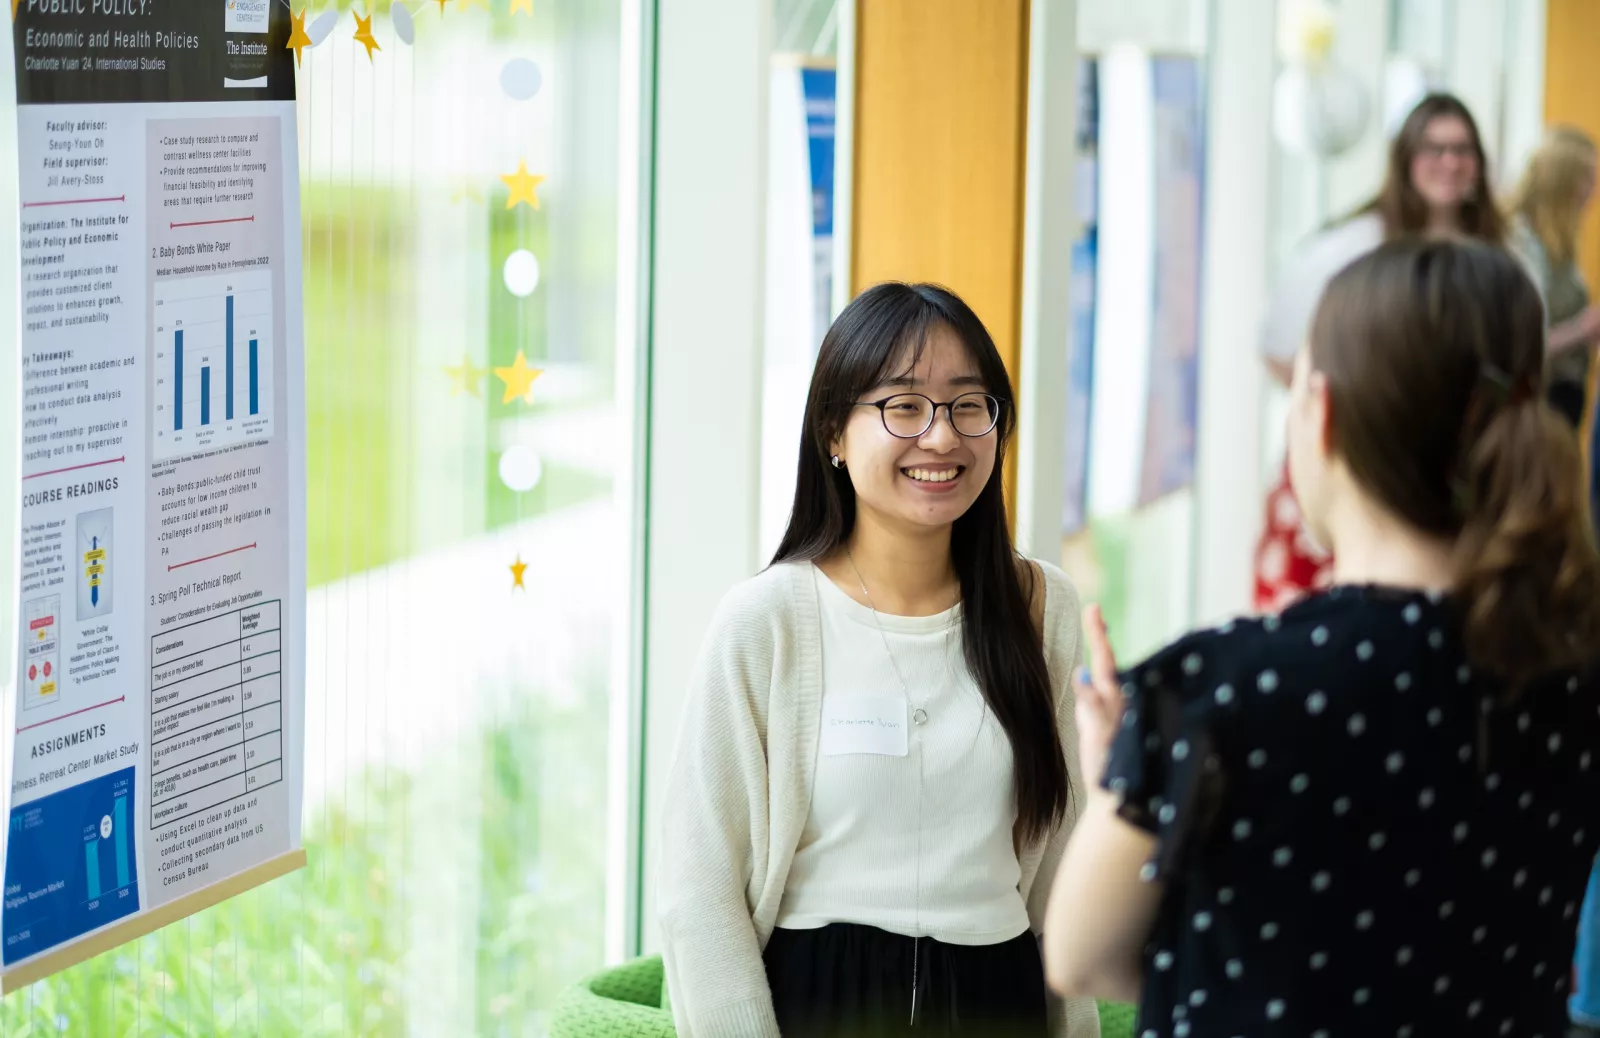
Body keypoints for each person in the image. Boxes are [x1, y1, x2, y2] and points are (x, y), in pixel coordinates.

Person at [1043, 238, 1600, 1036]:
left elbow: (1081, 955)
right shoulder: (1572, 675)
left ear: (1324, 413)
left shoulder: (1220, 687)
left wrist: (1120, 782)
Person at [657, 282, 1100, 1038]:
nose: (941, 437)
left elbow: (1063, 863)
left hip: (999, 997)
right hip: (823, 1000)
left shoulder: (1042, 609)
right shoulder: (768, 621)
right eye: (902, 405)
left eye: (969, 405)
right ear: (834, 430)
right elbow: (699, 887)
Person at [1253, 93, 1506, 613]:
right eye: (1432, 149)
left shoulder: (1499, 252)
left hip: (1459, 464)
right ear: (1405, 159)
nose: (1449, 162)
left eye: (1462, 149)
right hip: (1356, 459)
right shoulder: (1354, 244)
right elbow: (1278, 347)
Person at [1507, 126, 1600, 429]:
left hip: (1563, 395)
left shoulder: (1557, 242)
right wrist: (1584, 328)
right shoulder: (1522, 242)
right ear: (1564, 180)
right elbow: (1520, 344)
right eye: (1587, 176)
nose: (1594, 189)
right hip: (1537, 401)